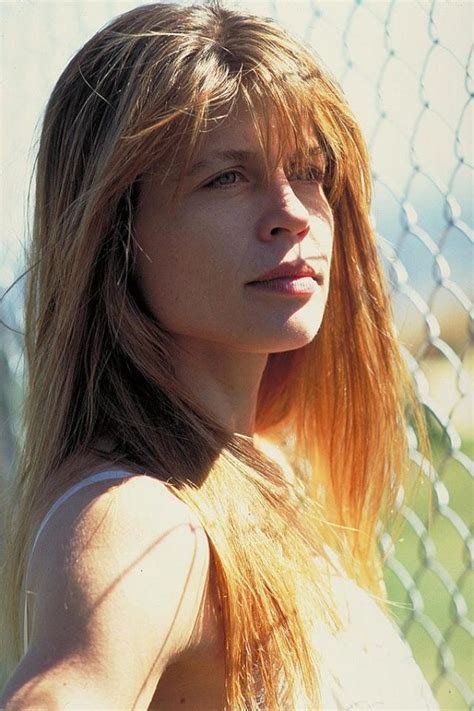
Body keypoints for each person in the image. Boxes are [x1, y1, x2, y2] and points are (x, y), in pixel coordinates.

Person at [0, 2, 438, 709]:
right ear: (116, 231)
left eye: (309, 169)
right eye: (226, 178)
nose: (292, 210)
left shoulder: (269, 466)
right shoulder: (136, 518)